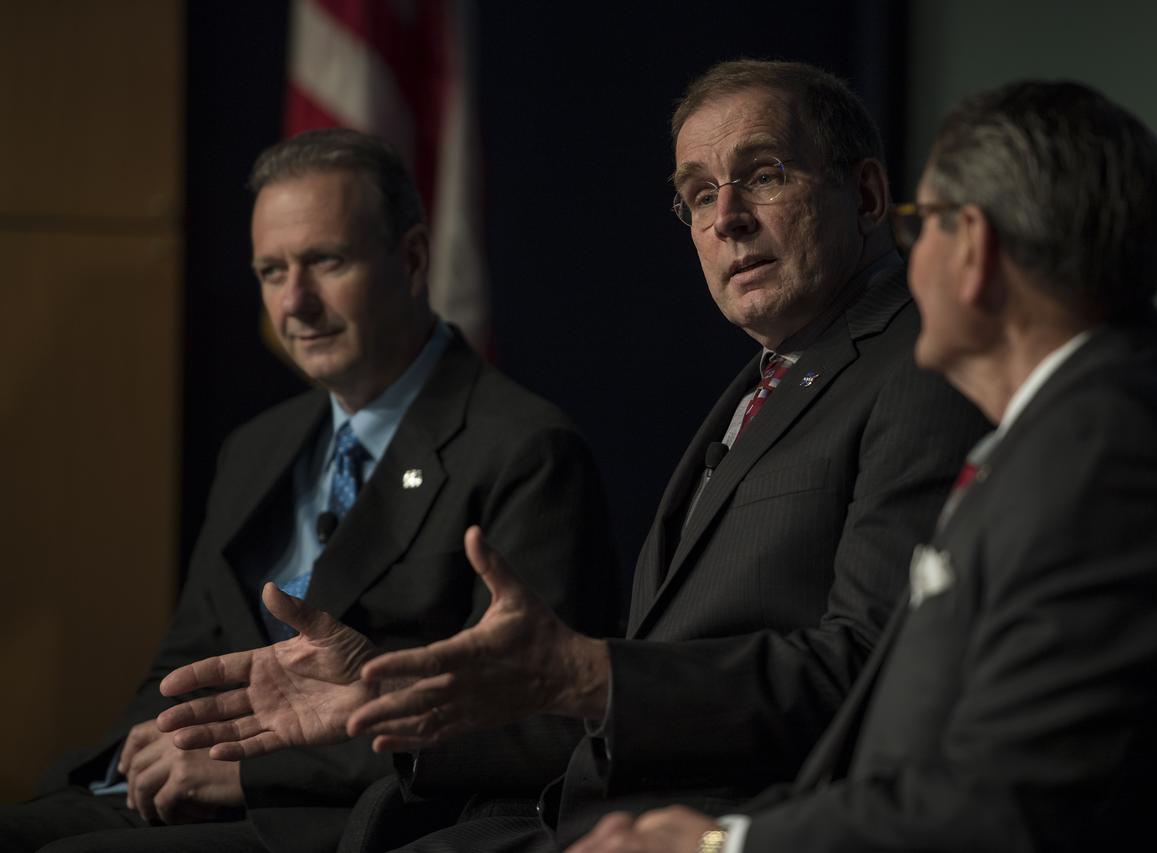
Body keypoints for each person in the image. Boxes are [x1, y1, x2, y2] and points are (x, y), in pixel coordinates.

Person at [158, 60, 989, 852]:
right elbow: (631, 685)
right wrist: (388, 697)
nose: (726, 216)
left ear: (869, 194)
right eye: (698, 194)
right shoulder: (768, 381)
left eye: (764, 174)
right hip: (574, 807)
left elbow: (864, 673)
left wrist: (589, 675)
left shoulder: (918, 365)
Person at [567, 80, 1157, 852]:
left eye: (923, 222)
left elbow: (1008, 806)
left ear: (972, 248)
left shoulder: (1112, 454)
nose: (908, 257)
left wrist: (721, 844)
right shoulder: (1075, 429)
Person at [0, 128, 618, 853]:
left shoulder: (525, 450)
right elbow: (189, 656)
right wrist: (135, 759)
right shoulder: (255, 447)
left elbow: (534, 721)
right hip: (192, 794)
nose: (295, 302)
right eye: (271, 270)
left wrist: (256, 773)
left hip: (358, 821)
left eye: (326, 261)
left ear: (414, 259)